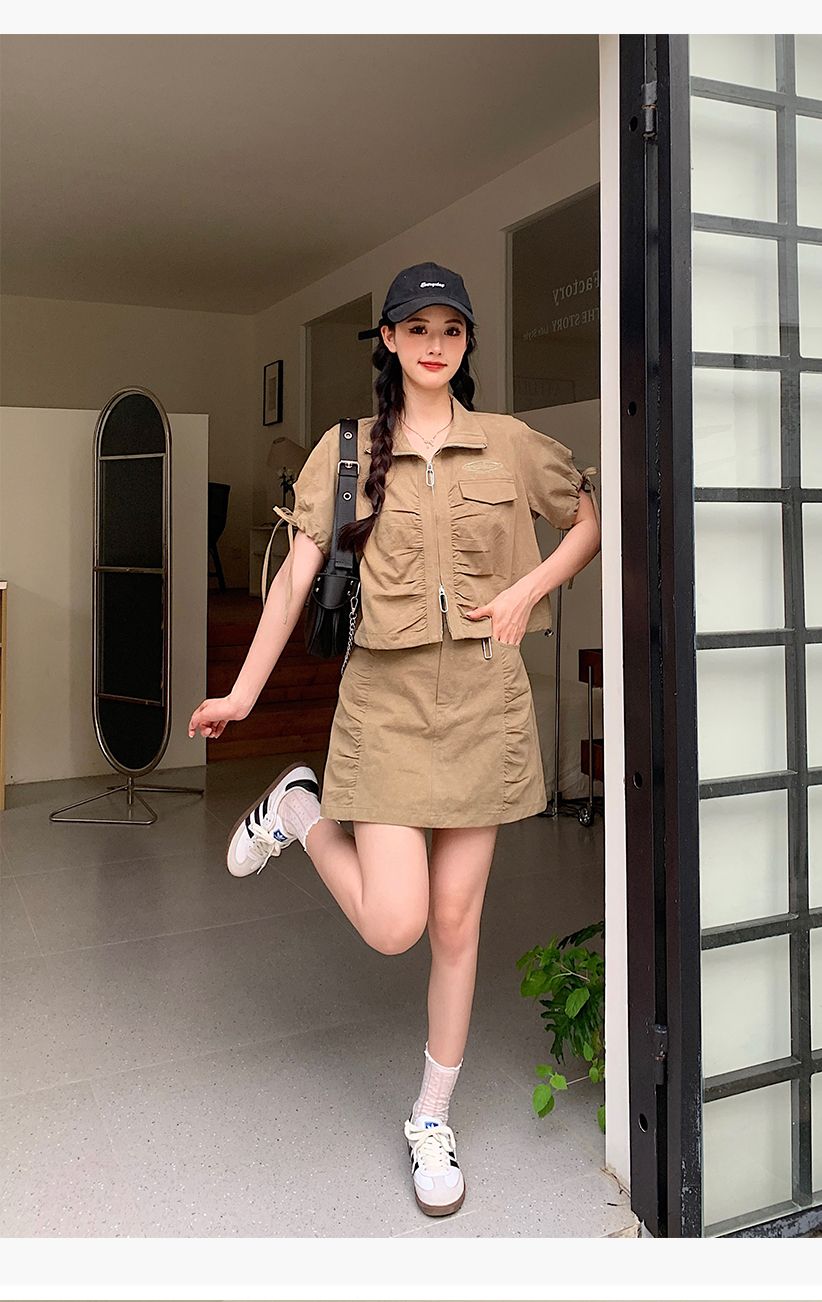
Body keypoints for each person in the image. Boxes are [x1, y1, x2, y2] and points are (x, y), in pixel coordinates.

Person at [188, 261, 601, 1218]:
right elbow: (292, 582)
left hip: (484, 706)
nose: (434, 344)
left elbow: (587, 520)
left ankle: (431, 1118)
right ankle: (302, 810)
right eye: (416, 328)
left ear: (465, 343)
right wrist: (242, 695)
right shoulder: (344, 452)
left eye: (450, 329)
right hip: (383, 708)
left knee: (456, 926)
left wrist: (529, 589)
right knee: (393, 925)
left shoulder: (508, 444)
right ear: (387, 340)